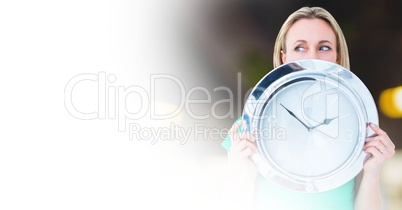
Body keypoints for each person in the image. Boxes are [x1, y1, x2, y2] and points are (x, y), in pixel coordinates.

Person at [221, 6, 396, 210]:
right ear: (284, 58)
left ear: (337, 57)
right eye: (300, 48)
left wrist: (373, 172)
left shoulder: (360, 125)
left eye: (323, 48)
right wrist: (240, 167)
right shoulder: (251, 127)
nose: (312, 56)